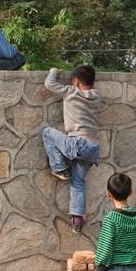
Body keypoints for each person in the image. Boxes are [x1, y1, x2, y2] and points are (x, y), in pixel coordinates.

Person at [42, 65, 101, 233]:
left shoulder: (71, 91)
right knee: (78, 182)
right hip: (93, 148)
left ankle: (60, 168)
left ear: (75, 81)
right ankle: (77, 220)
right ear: (93, 82)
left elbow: (49, 83)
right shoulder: (97, 96)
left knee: (47, 132)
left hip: (77, 143)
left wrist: (54, 71)